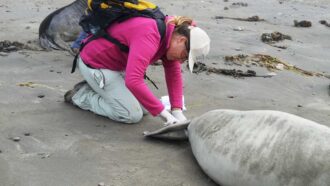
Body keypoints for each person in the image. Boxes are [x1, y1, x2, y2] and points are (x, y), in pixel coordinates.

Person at [64, 16, 210, 125]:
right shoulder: (150, 34)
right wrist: (165, 115)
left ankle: (101, 89)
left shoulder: (170, 35)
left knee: (146, 110)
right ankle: (81, 95)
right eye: (184, 56)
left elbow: (174, 73)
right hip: (96, 63)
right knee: (130, 115)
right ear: (181, 40)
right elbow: (133, 81)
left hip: (118, 66)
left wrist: (177, 111)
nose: (181, 61)